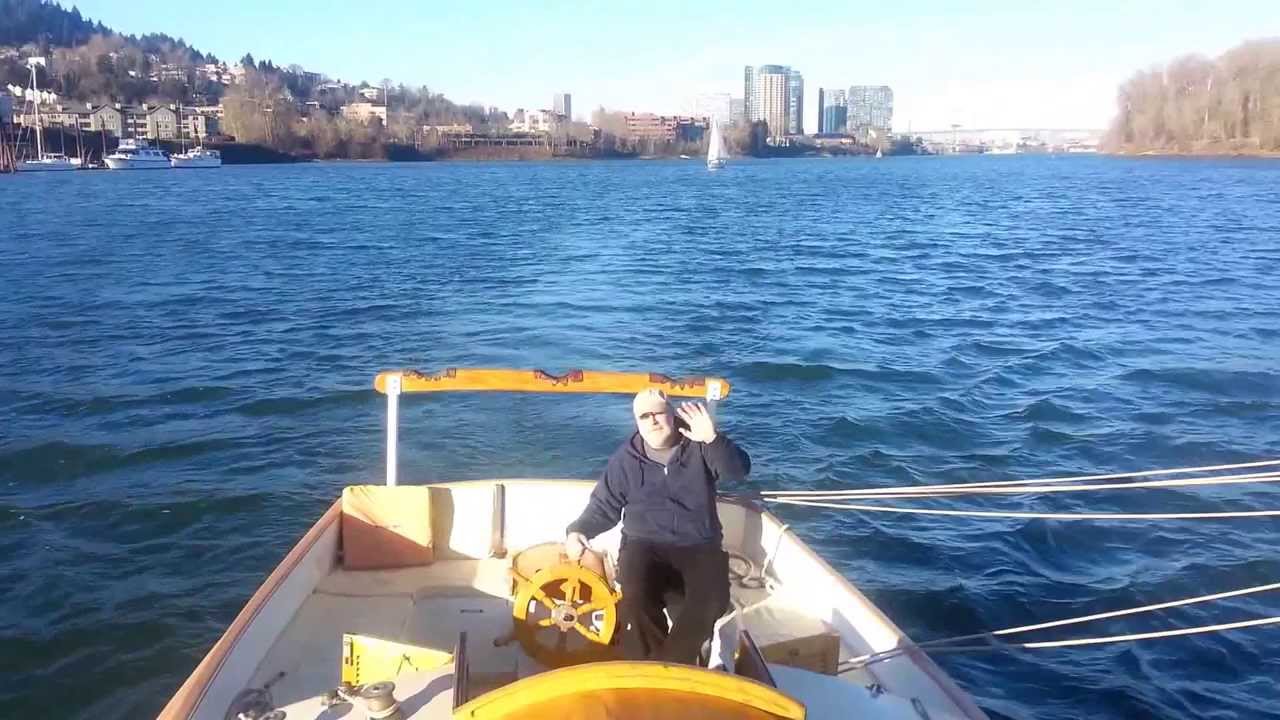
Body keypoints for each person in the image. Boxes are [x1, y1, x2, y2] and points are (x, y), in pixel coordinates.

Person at [564, 388, 751, 664]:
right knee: (636, 600)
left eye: (658, 413)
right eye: (644, 416)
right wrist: (578, 530)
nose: (652, 421)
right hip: (644, 544)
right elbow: (605, 505)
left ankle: (669, 665)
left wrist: (713, 439)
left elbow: (738, 471)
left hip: (699, 544)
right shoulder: (625, 459)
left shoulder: (699, 444)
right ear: (637, 422)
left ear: (672, 416)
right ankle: (661, 665)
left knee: (712, 600)